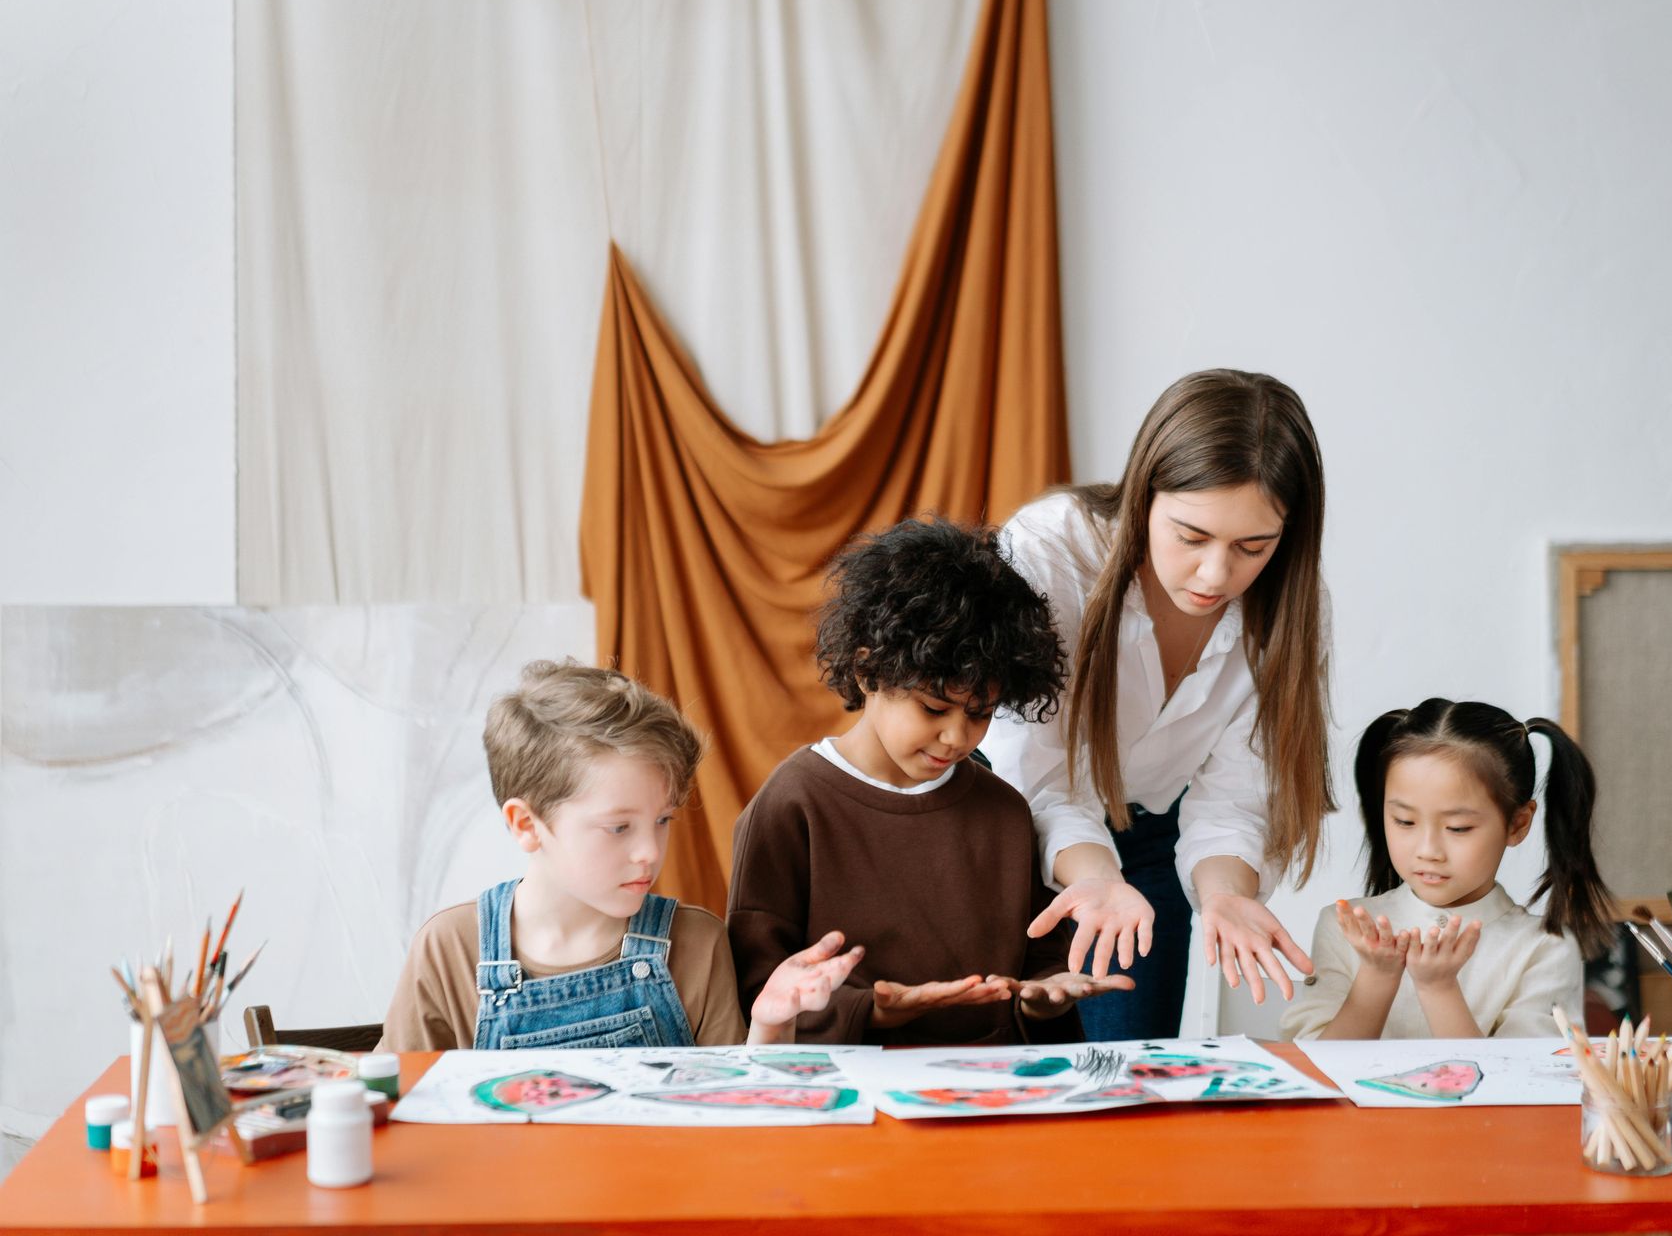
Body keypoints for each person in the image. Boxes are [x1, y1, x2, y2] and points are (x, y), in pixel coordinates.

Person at [978, 369, 1334, 1039]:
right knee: (998, 1074)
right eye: (1191, 537)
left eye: (1252, 547)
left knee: (1130, 1081)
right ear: (1144, 496)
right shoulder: (1051, 551)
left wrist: (1226, 895)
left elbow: (1233, 798)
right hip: (1000, 825)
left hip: (1149, 847)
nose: (1216, 576)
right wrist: (1093, 874)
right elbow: (1037, 773)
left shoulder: (1287, 611)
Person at [727, 517, 1133, 1045]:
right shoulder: (791, 805)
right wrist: (872, 1013)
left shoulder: (1006, 811)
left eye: (981, 713)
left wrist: (1043, 997)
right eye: (935, 707)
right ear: (868, 672)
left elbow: (1039, 960)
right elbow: (758, 987)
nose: (956, 737)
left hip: (994, 1093)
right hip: (854, 1097)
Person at [380, 659, 859, 1051]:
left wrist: (771, 1028)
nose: (649, 852)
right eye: (618, 828)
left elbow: (735, 1125)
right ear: (526, 825)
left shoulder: (697, 943)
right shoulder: (449, 949)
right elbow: (401, 1111)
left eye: (663, 820)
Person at [1276, 698, 1615, 1040]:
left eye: (1458, 828)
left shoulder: (1543, 949)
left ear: (1517, 823)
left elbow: (1517, 1085)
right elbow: (1316, 1070)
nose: (1428, 851)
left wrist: (1439, 990)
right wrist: (1376, 978)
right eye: (1404, 821)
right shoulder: (1343, 927)